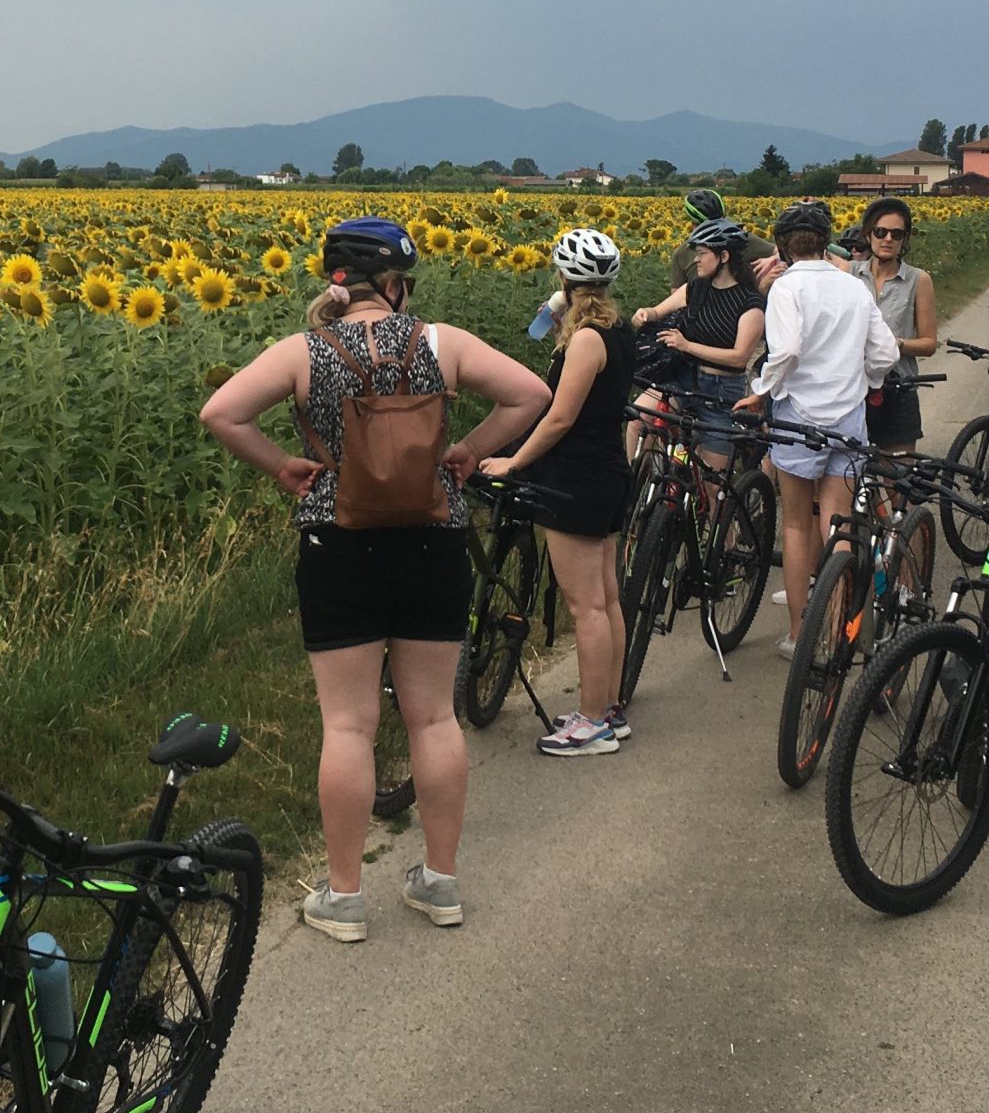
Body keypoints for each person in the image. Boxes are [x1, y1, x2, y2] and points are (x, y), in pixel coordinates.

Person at [200, 218, 548, 942]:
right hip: (433, 539)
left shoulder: (303, 352)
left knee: (349, 725)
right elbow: (529, 394)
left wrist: (282, 467)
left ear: (337, 283)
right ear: (395, 286)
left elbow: (221, 413)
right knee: (432, 718)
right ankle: (441, 884)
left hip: (339, 545)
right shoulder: (440, 343)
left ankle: (345, 895)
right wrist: (468, 453)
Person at [482, 228, 640, 759]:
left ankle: (592, 722)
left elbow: (558, 419)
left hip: (574, 479)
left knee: (586, 606)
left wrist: (514, 459)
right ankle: (610, 709)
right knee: (607, 597)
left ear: (565, 278)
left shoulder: (587, 340)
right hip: (608, 472)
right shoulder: (615, 331)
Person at [736, 201, 898, 657]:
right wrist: (866, 380)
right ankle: (836, 625)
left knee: (795, 525)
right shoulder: (854, 287)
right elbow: (884, 352)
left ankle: (799, 633)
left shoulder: (786, 289)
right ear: (826, 242)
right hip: (848, 416)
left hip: (799, 416)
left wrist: (763, 389)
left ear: (783, 247)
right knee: (837, 523)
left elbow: (783, 351)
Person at [631, 217, 766, 470]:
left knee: (713, 483)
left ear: (724, 256)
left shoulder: (751, 304)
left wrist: (686, 345)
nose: (696, 260)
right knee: (639, 417)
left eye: (702, 253)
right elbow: (657, 311)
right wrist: (644, 314)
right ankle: (637, 485)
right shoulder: (694, 289)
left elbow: (738, 357)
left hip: (722, 391)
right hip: (686, 380)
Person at [852, 197, 938, 454]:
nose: (888, 239)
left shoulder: (918, 280)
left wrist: (893, 344)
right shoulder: (850, 274)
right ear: (868, 235)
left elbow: (929, 343)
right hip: (853, 388)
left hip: (897, 388)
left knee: (897, 481)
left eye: (897, 234)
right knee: (851, 478)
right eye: (881, 232)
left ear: (905, 240)